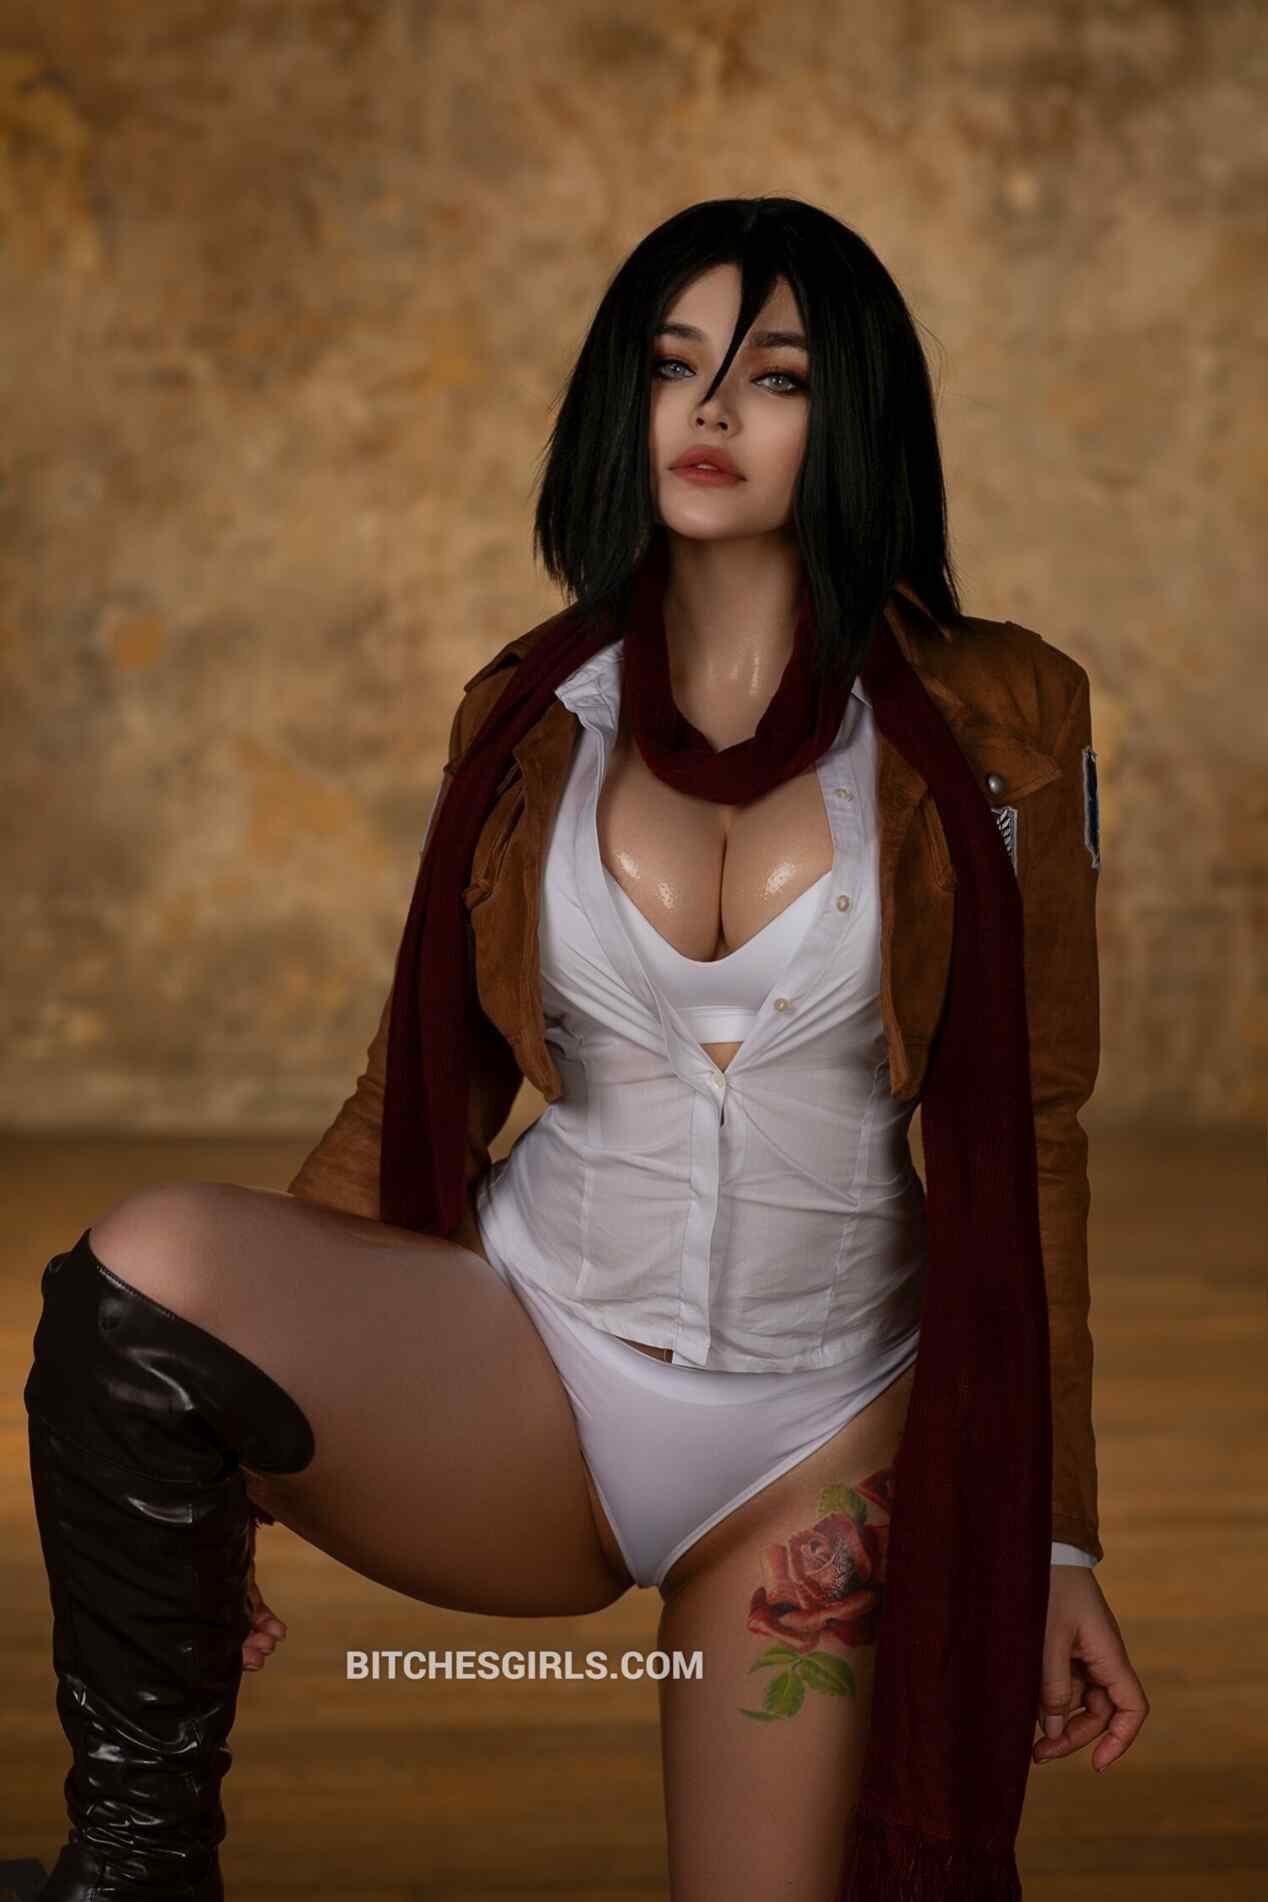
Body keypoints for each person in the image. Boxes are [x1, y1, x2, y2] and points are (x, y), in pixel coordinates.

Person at [23, 196, 1149, 1902]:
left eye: (774, 377)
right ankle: (135, 1875)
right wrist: (231, 1454)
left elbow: (1038, 1131)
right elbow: (416, 1083)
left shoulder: (1009, 716)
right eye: (674, 365)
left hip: (823, 1442)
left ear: (853, 414)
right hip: (532, 1367)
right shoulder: (530, 713)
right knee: (144, 1271)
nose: (712, 411)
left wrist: (1055, 1536)